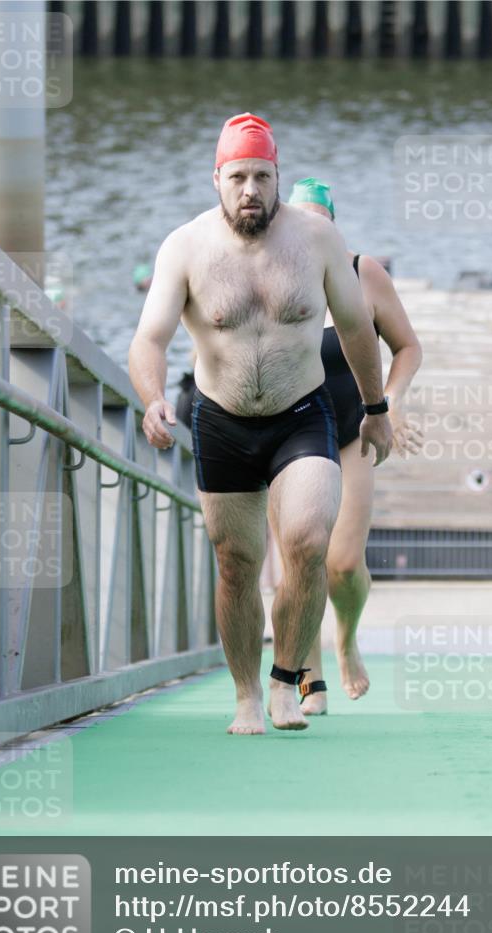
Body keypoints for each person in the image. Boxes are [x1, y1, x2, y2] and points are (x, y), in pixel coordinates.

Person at [128, 113, 393, 735]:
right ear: (217, 179)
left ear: (279, 178)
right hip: (221, 421)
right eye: (239, 176)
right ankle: (246, 694)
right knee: (237, 564)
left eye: (264, 176)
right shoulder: (186, 247)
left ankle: (285, 679)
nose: (252, 189)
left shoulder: (317, 240)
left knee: (306, 541)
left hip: (302, 416)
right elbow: (150, 338)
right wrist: (151, 397)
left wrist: (377, 410)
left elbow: (357, 328)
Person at [287, 178, 423, 714]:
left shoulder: (363, 273)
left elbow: (408, 347)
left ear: (334, 226)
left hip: (352, 433)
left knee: (342, 563)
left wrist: (388, 404)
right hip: (292, 436)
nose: (310, 233)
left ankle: (345, 639)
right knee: (304, 559)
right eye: (300, 223)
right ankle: (309, 671)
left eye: (320, 222)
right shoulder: (274, 275)